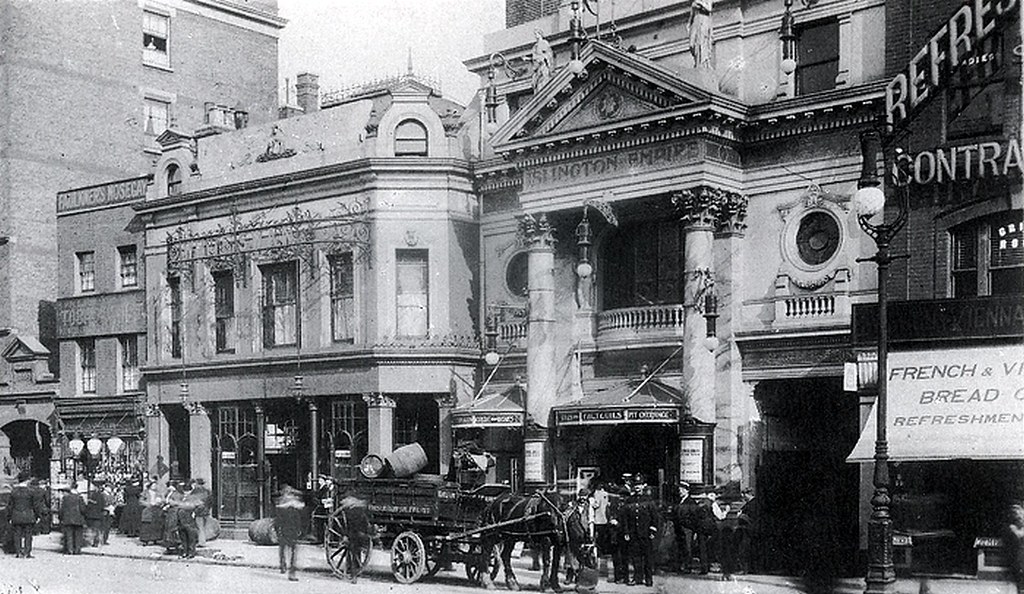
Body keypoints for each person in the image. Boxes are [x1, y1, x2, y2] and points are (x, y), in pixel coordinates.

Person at [621, 474, 658, 587]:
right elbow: (625, 518)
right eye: (635, 485)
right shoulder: (629, 500)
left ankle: (648, 578)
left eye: (639, 485)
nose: (637, 487)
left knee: (647, 557)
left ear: (643, 486)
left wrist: (652, 531)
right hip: (633, 533)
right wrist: (626, 532)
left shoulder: (649, 501)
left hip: (646, 534)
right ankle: (637, 578)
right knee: (635, 557)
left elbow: (655, 517)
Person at [8, 474, 45, 558]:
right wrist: (38, 516)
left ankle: (18, 552)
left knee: (17, 534)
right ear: (27, 481)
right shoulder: (31, 492)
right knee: (28, 535)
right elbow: (35, 505)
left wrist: (9, 517)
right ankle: (27, 552)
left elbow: (10, 505)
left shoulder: (13, 491)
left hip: (16, 515)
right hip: (29, 515)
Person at [274, 485, 305, 581]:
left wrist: (277, 530)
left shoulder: (281, 507)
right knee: (293, 551)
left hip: (284, 530)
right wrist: (300, 530)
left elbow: (277, 521)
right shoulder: (295, 507)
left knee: (283, 548)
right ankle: (291, 572)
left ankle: (283, 565)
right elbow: (299, 520)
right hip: (291, 531)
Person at [339, 490, 370, 584]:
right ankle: (355, 572)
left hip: (353, 535)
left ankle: (353, 575)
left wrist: (345, 535)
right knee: (355, 553)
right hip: (360, 534)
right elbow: (365, 523)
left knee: (352, 554)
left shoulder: (350, 512)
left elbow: (348, 525)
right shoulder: (361, 511)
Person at [694, 486, 726, 574]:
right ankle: (714, 564)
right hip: (710, 528)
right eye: (714, 494)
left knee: (702, 548)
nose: (715, 497)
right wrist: (726, 511)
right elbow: (720, 516)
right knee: (713, 545)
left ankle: (704, 568)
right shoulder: (713, 503)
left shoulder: (699, 503)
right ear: (711, 495)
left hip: (700, 527)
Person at [674, 481, 700, 574]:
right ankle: (680, 566)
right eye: (679, 490)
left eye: (682, 490)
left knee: (687, 548)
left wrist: (693, 530)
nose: (680, 491)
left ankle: (687, 567)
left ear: (687, 491)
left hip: (688, 529)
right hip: (679, 529)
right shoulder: (679, 501)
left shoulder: (691, 502)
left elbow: (695, 517)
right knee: (680, 547)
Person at [58, 484, 86, 555]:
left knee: (69, 535)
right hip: (78, 519)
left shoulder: (65, 498)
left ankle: (70, 550)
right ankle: (77, 550)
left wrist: (60, 518)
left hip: (68, 519)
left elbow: (62, 510)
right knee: (78, 535)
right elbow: (83, 509)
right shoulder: (80, 498)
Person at [176, 482, 200, 559]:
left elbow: (200, 506)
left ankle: (191, 552)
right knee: (183, 536)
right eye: (184, 491)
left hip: (189, 518)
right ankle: (185, 551)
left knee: (191, 536)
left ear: (190, 491)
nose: (185, 493)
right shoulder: (182, 498)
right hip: (180, 519)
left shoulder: (194, 498)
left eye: (187, 491)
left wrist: (194, 513)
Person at [139, 480, 164, 545]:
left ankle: (155, 539)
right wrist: (148, 504)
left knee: (156, 525)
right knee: (147, 525)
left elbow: (162, 500)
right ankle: (146, 540)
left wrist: (159, 502)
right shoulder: (145, 492)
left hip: (156, 510)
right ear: (150, 486)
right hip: (148, 510)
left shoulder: (158, 493)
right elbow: (141, 501)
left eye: (155, 485)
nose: (155, 487)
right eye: (153, 485)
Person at [190, 478, 213, 545]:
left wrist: (194, 510)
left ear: (197, 483)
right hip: (206, 511)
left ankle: (201, 542)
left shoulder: (196, 491)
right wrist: (208, 509)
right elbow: (210, 501)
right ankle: (203, 540)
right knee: (203, 526)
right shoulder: (208, 491)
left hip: (199, 512)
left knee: (199, 527)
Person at [84, 483, 107, 547]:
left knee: (95, 529)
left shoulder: (94, 495)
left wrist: (91, 502)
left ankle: (95, 542)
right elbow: (103, 505)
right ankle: (95, 542)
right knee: (96, 529)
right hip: (97, 515)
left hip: (94, 514)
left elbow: (99, 504)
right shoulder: (100, 495)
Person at [1008, 503, 1024, 594]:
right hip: (1020, 556)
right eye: (1017, 515)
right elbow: (1019, 535)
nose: (1020, 517)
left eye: (1021, 514)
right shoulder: (1013, 527)